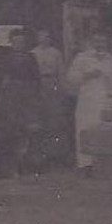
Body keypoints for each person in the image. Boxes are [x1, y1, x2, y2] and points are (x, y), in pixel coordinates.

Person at [65, 32, 112, 171]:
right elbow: (71, 78)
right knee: (86, 130)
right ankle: (86, 164)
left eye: (103, 41)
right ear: (92, 42)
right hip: (88, 102)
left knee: (107, 131)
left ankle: (105, 164)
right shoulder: (82, 58)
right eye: (97, 41)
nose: (100, 44)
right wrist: (87, 75)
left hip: (107, 101)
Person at [0, 28, 42, 177]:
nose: (19, 44)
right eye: (16, 42)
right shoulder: (5, 58)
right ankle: (12, 167)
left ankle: (29, 166)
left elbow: (37, 79)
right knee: (11, 132)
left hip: (28, 98)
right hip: (11, 98)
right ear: (11, 43)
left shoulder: (31, 57)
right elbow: (0, 79)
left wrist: (35, 97)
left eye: (22, 42)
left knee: (30, 131)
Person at [30, 29, 67, 167]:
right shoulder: (33, 53)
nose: (44, 39)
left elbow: (61, 72)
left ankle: (56, 155)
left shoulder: (56, 53)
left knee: (55, 120)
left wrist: (62, 90)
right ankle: (41, 156)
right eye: (41, 37)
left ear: (50, 39)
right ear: (37, 39)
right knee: (41, 120)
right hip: (39, 84)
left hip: (53, 83)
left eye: (47, 37)